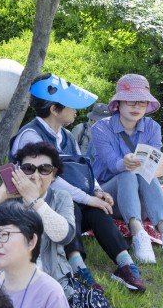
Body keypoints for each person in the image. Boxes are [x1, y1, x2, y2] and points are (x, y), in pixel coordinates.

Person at [13, 74, 145, 292]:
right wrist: (87, 198)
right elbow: (48, 181)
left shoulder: (66, 135)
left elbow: (83, 167)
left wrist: (97, 191)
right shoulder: (31, 136)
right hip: (37, 208)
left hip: (67, 204)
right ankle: (77, 268)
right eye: (71, 105)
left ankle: (125, 264)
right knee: (69, 201)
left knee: (98, 210)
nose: (76, 111)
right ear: (54, 109)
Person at [89, 74, 163, 266]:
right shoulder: (100, 129)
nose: (136, 107)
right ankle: (138, 234)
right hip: (108, 198)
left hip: (141, 199)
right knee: (127, 174)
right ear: (118, 103)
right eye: (130, 101)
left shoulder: (153, 127)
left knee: (145, 175)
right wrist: (124, 163)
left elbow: (153, 164)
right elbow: (111, 163)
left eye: (142, 102)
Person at [0, 141, 77, 283]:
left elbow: (65, 236)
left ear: (54, 174)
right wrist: (1, 194)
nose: (35, 176)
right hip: (6, 276)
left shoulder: (61, 198)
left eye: (44, 169)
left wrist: (34, 200)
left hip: (49, 277)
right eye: (28, 169)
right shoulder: (9, 198)